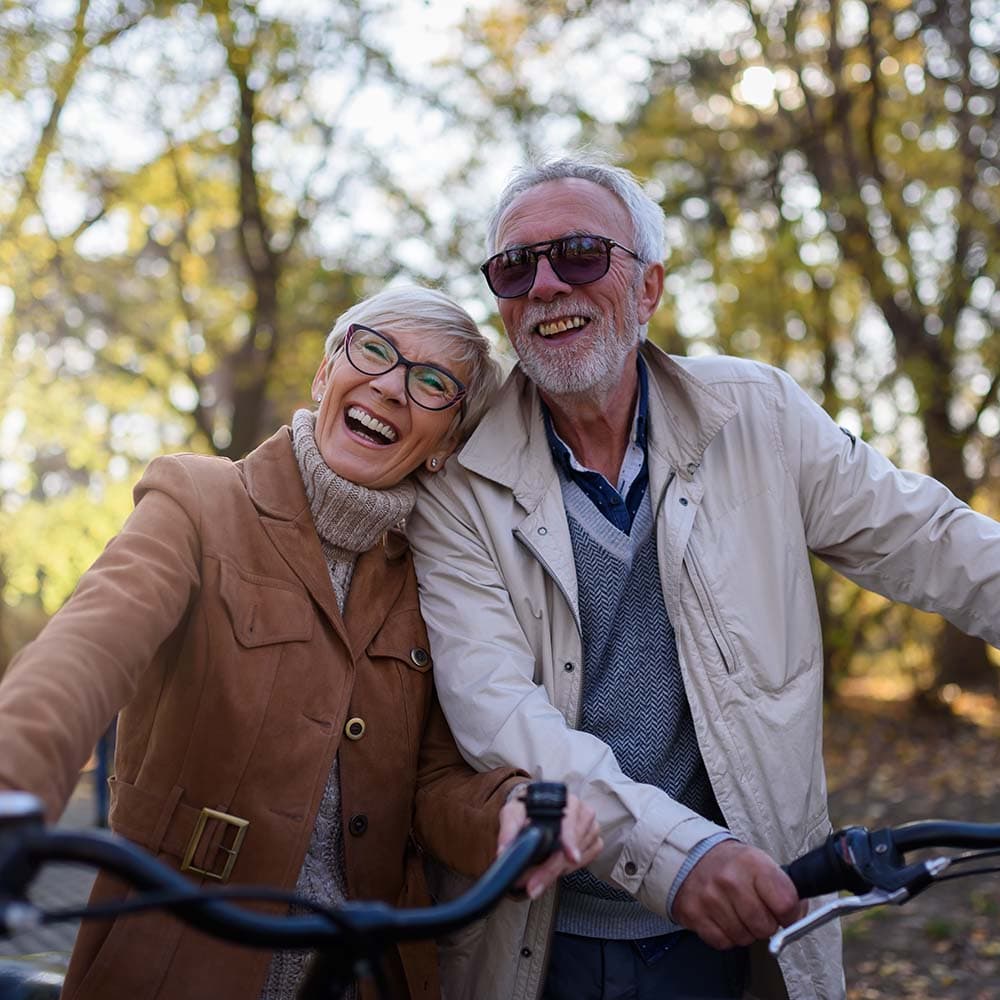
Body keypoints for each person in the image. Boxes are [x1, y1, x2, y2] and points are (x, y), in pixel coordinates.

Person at [405, 155, 1000, 1000]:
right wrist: (681, 857)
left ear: (647, 287)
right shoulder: (457, 483)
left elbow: (931, 539)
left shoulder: (759, 414)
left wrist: (712, 865)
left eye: (577, 254)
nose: (544, 286)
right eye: (514, 266)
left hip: (761, 912)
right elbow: (499, 713)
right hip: (552, 942)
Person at [0, 285, 601, 1000]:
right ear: (325, 375)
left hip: (369, 971)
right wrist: (14, 783)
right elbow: (88, 649)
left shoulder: (432, 574)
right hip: (176, 957)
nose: (389, 386)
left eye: (432, 383)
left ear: (445, 448)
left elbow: (435, 784)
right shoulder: (198, 499)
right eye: (374, 350)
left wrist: (511, 807)